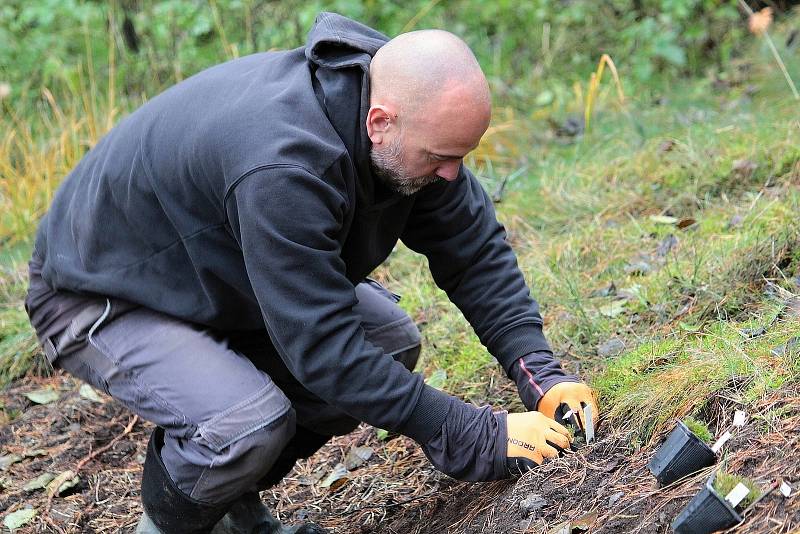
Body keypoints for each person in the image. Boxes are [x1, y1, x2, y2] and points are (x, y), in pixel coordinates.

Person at [24, 12, 599, 534]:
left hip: (214, 277)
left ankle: (232, 510)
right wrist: (471, 433)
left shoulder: (411, 129)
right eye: (440, 158)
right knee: (243, 423)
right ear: (380, 121)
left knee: (390, 341)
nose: (452, 175)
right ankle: (172, 525)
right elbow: (324, 348)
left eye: (462, 155)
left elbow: (473, 254)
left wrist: (539, 374)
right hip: (101, 292)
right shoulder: (284, 165)